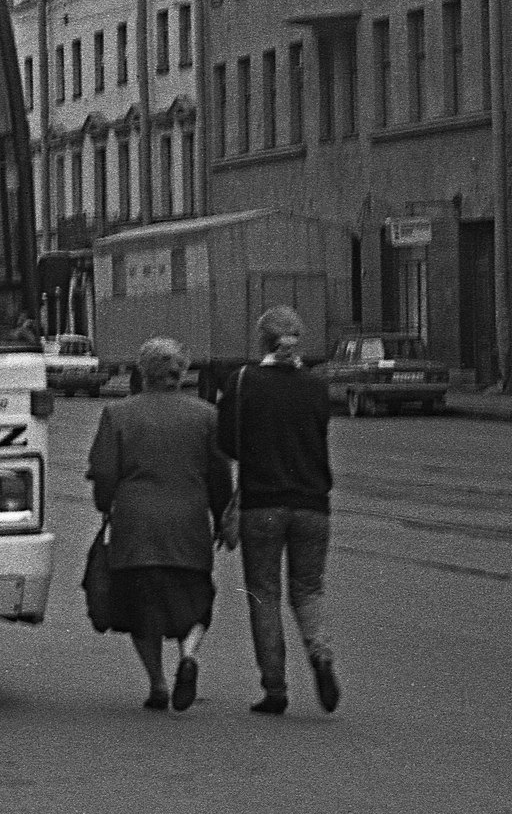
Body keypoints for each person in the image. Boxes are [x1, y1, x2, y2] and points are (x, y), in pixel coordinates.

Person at [87, 337, 235, 712]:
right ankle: (188, 655)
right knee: (197, 600)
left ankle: (157, 683)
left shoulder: (118, 414)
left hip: (135, 527)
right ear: (181, 373)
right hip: (188, 525)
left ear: (141, 372)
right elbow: (220, 476)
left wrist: (106, 506)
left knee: (141, 610)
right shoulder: (205, 416)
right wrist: (220, 518)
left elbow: (104, 472)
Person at [218, 305, 341, 715]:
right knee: (308, 590)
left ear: (262, 341)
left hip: (262, 504)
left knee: (264, 594)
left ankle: (275, 689)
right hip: (313, 506)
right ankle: (320, 654)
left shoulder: (243, 382)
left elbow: (227, 445)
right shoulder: (315, 386)